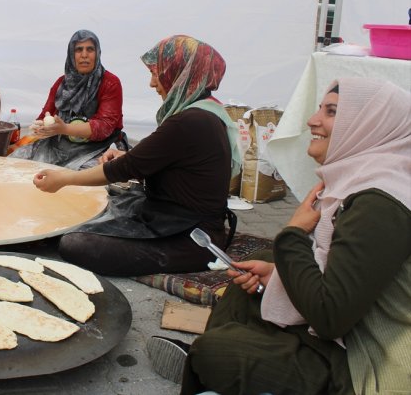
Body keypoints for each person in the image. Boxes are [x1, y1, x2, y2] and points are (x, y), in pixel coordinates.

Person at [167, 78, 410, 395]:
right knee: (258, 276)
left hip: (366, 361)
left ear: (369, 126)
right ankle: (223, 365)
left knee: (213, 353)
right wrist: (278, 271)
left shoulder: (378, 205)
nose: (313, 120)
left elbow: (329, 317)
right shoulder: (364, 180)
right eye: (320, 108)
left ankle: (211, 362)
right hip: (349, 328)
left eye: (332, 111)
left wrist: (293, 234)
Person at [33, 35, 241, 276]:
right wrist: (122, 155)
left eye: (157, 73)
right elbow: (161, 156)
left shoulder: (189, 121)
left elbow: (124, 165)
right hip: (173, 217)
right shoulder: (204, 112)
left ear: (179, 74)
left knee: (74, 243)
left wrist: (63, 179)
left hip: (192, 237)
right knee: (112, 203)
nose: (153, 84)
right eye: (78, 50)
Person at [10, 29, 125, 169]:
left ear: (98, 53)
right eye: (78, 50)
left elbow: (104, 127)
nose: (84, 55)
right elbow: (45, 116)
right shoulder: (61, 84)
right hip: (60, 144)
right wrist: (40, 127)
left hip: (98, 147)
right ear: (71, 55)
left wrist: (64, 128)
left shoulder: (110, 83)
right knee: (16, 161)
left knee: (89, 175)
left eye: (90, 49)